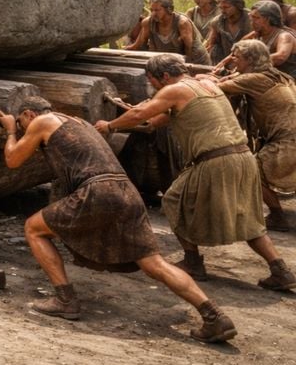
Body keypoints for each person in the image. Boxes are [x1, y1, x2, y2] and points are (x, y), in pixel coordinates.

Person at [0, 96, 236, 343]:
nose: (22, 128)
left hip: (98, 191)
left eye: (22, 122)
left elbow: (12, 160)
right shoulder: (78, 122)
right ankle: (213, 315)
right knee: (154, 264)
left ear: (30, 114)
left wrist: (11, 130)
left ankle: (65, 300)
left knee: (33, 229)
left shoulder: (42, 122)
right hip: (126, 192)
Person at [96, 53, 296, 292]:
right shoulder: (207, 84)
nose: (153, 86)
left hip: (216, 159)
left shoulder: (174, 90)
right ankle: (280, 270)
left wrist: (109, 126)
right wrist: (135, 111)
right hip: (242, 158)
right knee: (248, 217)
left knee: (173, 200)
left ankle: (192, 262)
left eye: (153, 81)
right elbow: (151, 123)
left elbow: (141, 115)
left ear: (165, 76)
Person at [208, 40, 296, 232]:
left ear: (249, 60)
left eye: (237, 58)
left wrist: (205, 77)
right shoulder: (279, 75)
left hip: (288, 141)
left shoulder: (255, 80)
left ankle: (277, 215)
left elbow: (215, 87)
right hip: (289, 137)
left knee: (251, 171)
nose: (234, 61)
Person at [125, 0, 211, 65]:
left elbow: (189, 50)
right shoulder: (148, 22)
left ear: (169, 9)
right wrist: (123, 51)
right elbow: (138, 45)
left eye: (157, 10)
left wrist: (186, 67)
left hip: (196, 61)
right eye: (151, 10)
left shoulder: (182, 23)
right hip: (170, 61)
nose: (153, 14)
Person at [225, 0, 296, 78]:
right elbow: (236, 51)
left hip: (287, 81)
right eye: (251, 17)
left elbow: (280, 57)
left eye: (256, 18)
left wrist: (251, 63)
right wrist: (220, 67)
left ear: (268, 19)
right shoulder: (255, 35)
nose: (252, 21)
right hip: (266, 77)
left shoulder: (284, 36)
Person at [205, 0, 251, 64]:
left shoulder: (250, 19)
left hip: (248, 59)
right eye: (221, 8)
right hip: (225, 60)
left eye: (226, 7)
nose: (223, 11)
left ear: (238, 6)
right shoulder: (217, 22)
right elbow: (211, 44)